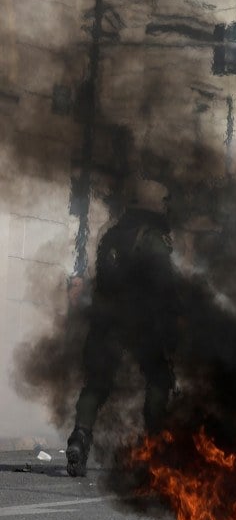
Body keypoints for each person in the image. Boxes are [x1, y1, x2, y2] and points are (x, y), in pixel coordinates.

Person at [66, 179, 180, 477]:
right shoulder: (153, 240)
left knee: (98, 382)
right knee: (158, 378)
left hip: (106, 320)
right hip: (140, 321)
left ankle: (79, 437)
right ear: (154, 206)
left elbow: (101, 280)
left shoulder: (112, 237)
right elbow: (164, 287)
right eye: (164, 202)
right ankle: (155, 447)